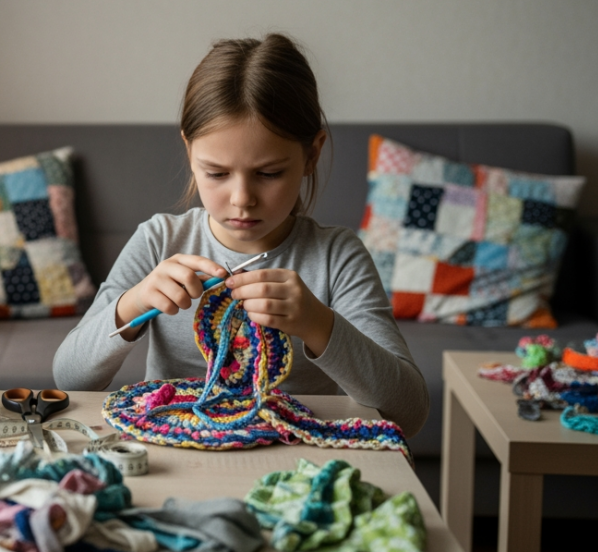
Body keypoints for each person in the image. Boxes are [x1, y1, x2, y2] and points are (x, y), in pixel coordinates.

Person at [52, 34, 428, 436]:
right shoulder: (159, 241)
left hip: (291, 459)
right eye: (216, 173)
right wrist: (134, 303)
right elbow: (68, 378)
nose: (242, 199)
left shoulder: (336, 256)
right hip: (175, 450)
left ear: (312, 154)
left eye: (268, 174)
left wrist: (319, 324)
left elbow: (408, 410)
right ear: (189, 153)